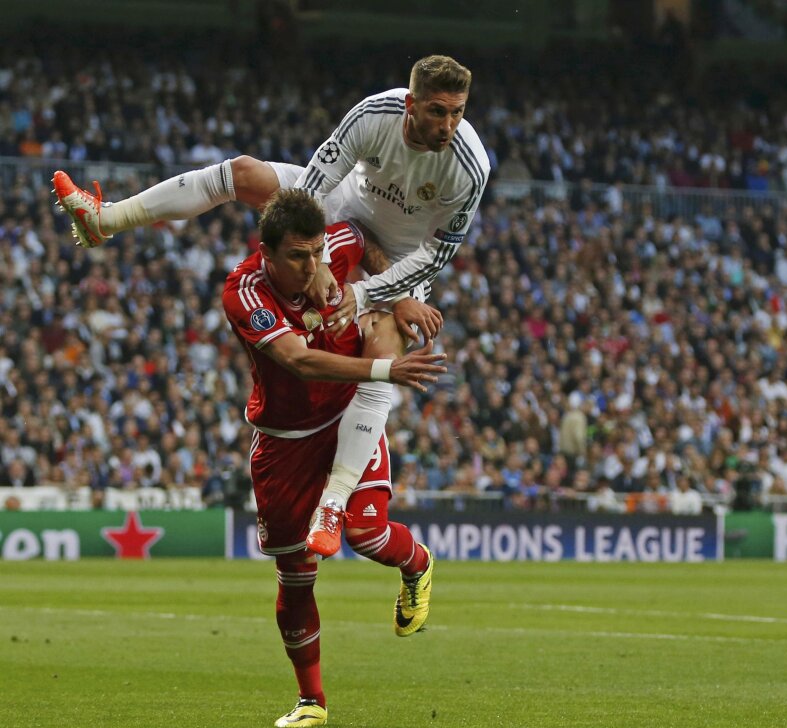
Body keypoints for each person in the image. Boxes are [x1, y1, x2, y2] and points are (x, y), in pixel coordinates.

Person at [53, 53, 489, 555]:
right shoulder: (374, 116)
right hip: (338, 209)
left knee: (384, 352)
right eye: (438, 111)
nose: (449, 125)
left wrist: (371, 291)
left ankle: (335, 502)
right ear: (411, 104)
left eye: (457, 112)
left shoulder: (469, 168)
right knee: (242, 172)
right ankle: (104, 219)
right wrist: (318, 249)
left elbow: (436, 255)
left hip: (397, 261)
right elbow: (313, 184)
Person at [223, 189, 447, 728]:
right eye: (296, 257)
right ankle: (312, 702)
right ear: (267, 254)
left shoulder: (336, 248)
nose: (310, 266)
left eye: (315, 252)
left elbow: (365, 242)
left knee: (365, 535)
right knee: (295, 573)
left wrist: (398, 298)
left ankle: (417, 563)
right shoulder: (244, 293)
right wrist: (384, 371)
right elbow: (297, 360)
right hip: (283, 441)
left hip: (349, 419)